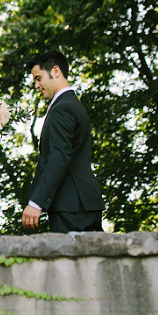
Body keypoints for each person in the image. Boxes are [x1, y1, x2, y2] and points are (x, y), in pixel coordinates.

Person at [23, 50, 105, 233]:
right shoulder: (73, 105)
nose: (36, 85)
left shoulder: (63, 108)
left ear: (56, 71)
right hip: (83, 203)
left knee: (72, 261)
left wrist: (36, 203)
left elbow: (59, 157)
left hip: (71, 205)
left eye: (38, 78)